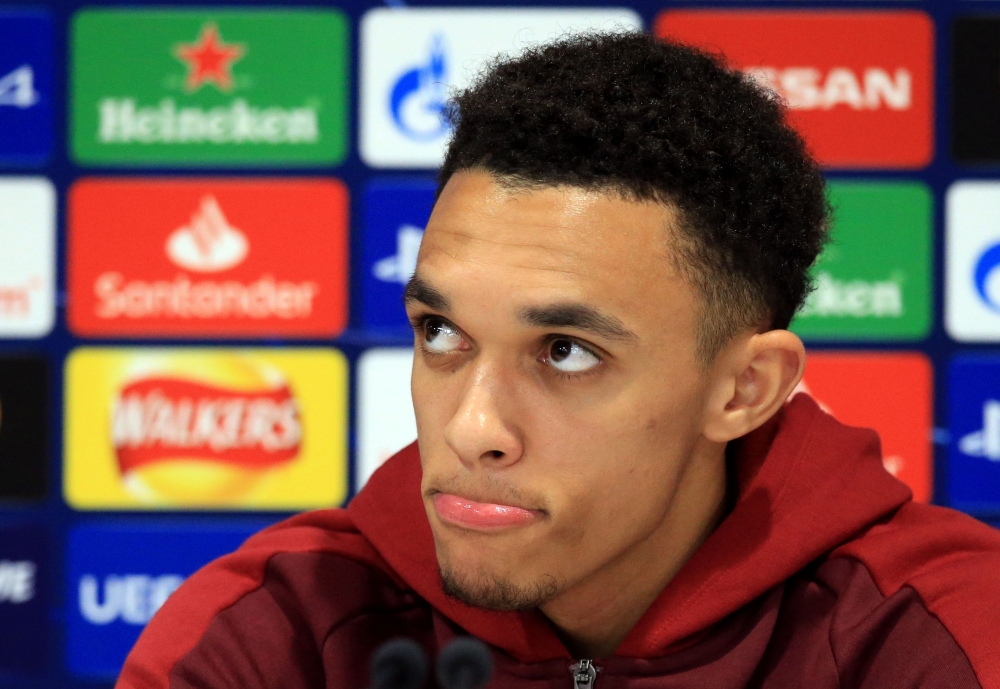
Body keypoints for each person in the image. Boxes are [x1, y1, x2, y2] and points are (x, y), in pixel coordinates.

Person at [117, 32, 1000, 689]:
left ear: (744, 389)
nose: (473, 428)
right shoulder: (279, 633)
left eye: (566, 352)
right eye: (441, 334)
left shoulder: (937, 636)